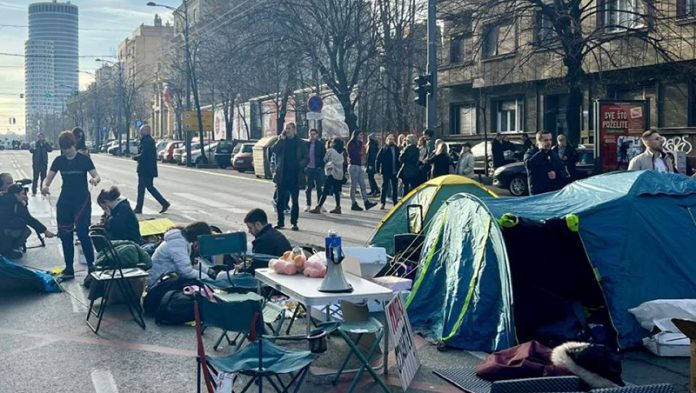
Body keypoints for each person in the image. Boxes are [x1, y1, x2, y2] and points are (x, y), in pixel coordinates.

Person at [42, 131, 101, 280]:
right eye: (63, 148)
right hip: (65, 200)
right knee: (65, 235)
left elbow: (96, 175)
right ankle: (69, 269)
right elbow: (47, 179)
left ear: (73, 145)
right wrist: (44, 186)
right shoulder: (59, 161)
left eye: (68, 147)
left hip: (82, 200)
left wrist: (95, 180)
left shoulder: (84, 160)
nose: (66, 151)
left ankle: (91, 265)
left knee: (82, 232)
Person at [148, 221, 212, 287]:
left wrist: (208, 271)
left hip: (164, 277)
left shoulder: (183, 241)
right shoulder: (177, 245)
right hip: (157, 283)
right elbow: (186, 272)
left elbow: (190, 264)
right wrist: (207, 278)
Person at [0, 184, 55, 259]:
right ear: (16, 194)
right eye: (23, 194)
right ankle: (10, 249)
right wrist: (45, 231)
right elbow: (29, 219)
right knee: (26, 230)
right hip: (4, 231)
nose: (25, 196)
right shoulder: (16, 205)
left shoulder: (4, 198)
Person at [272, 122, 308, 231]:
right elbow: (274, 150)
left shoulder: (300, 143)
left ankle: (294, 222)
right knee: (280, 200)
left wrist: (300, 164)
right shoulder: (282, 141)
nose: (287, 131)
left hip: (295, 175)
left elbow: (306, 158)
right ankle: (280, 222)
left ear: (294, 130)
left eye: (289, 129)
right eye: (286, 129)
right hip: (282, 175)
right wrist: (280, 140)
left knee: (295, 201)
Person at [133, 125, 170, 214]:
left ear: (146, 131)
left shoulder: (147, 141)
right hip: (147, 169)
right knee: (149, 187)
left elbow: (144, 155)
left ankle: (139, 208)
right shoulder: (147, 140)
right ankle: (164, 203)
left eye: (141, 131)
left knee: (141, 189)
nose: (140, 132)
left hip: (145, 169)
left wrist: (135, 157)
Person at [524, 131, 568, 195]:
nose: (549, 142)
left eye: (550, 140)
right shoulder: (530, 153)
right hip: (538, 193)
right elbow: (529, 165)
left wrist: (556, 173)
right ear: (538, 142)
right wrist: (542, 151)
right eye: (545, 140)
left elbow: (563, 172)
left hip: (552, 193)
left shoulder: (553, 154)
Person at [310, 137, 345, 214]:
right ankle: (338, 207)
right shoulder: (342, 152)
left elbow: (325, 159)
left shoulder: (331, 151)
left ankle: (318, 207)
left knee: (325, 190)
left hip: (331, 172)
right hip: (339, 173)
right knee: (336, 191)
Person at [347, 130, 377, 211]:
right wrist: (361, 154)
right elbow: (353, 154)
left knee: (363, 185)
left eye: (362, 135)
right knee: (353, 185)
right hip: (353, 165)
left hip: (359, 165)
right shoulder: (351, 143)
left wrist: (363, 155)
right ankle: (353, 203)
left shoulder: (360, 143)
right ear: (355, 135)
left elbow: (362, 154)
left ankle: (366, 202)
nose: (361, 137)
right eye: (360, 135)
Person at [376, 134, 400, 210]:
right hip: (386, 171)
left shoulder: (396, 148)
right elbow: (378, 159)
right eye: (389, 139)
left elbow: (399, 159)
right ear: (387, 140)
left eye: (392, 139)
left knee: (395, 187)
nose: (391, 140)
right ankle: (382, 202)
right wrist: (377, 169)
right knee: (384, 187)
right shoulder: (384, 148)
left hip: (395, 171)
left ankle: (395, 202)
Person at [304, 128, 326, 212]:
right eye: (311, 134)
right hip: (309, 168)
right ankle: (308, 204)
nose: (312, 136)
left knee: (319, 187)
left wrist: (321, 166)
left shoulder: (320, 145)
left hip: (317, 168)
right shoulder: (306, 144)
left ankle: (320, 205)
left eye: (314, 134)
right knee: (308, 187)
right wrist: (305, 166)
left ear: (317, 135)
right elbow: (303, 155)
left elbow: (324, 156)